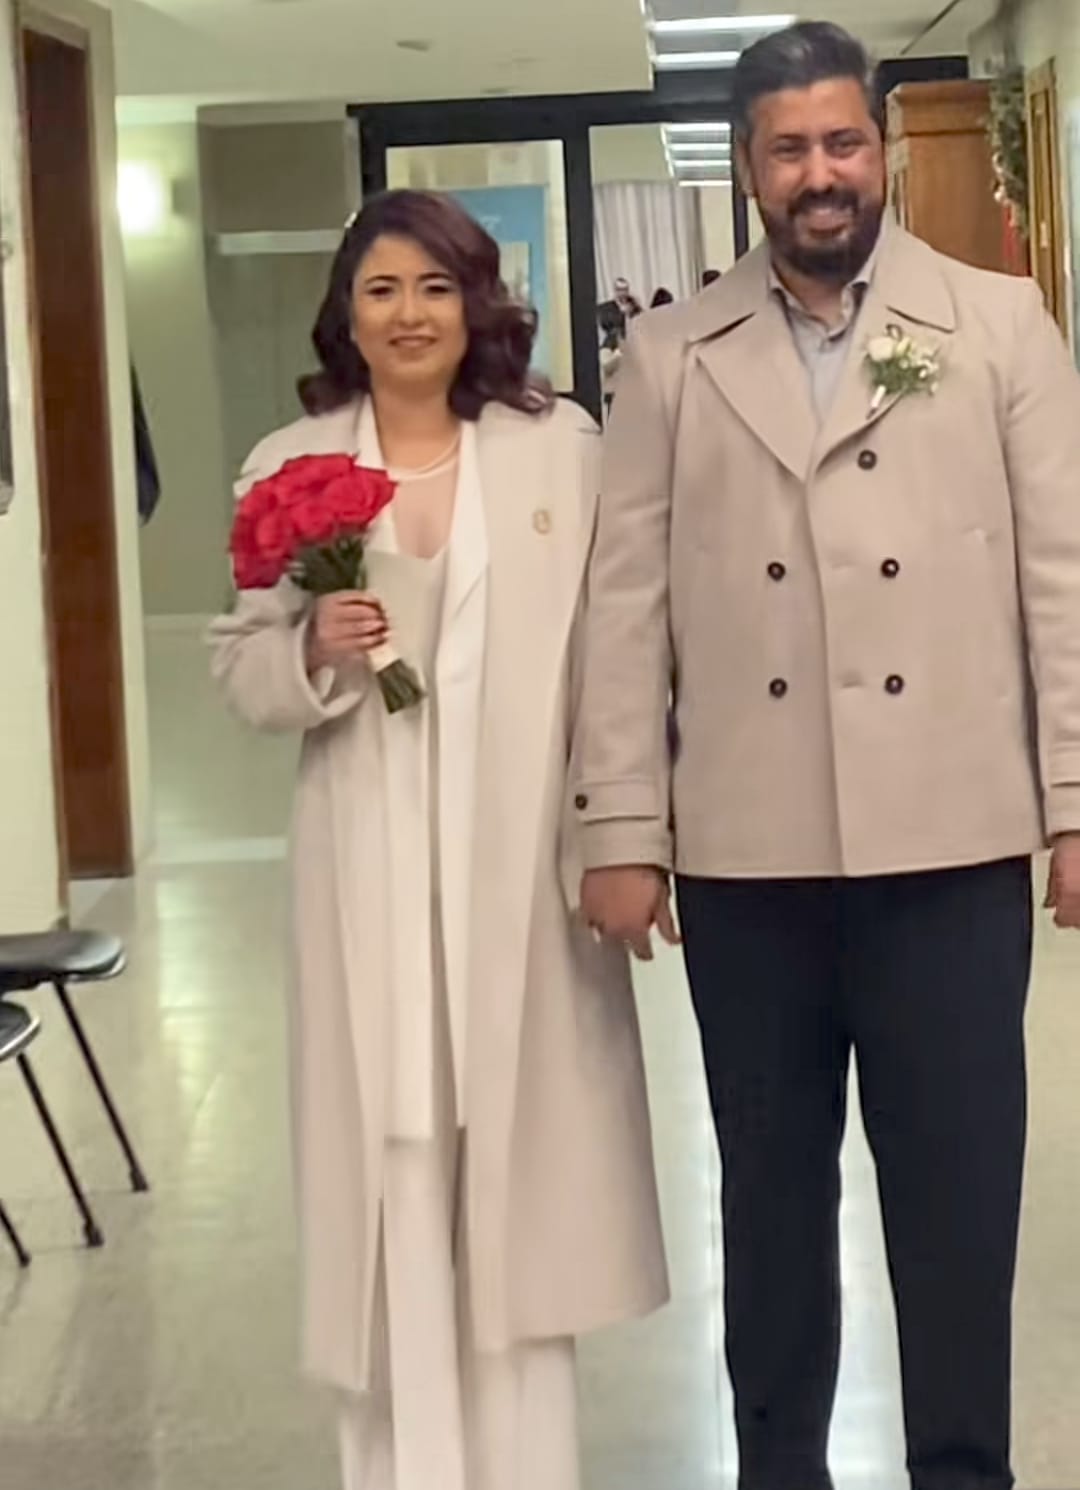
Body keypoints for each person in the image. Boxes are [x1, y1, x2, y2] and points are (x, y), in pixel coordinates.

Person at [577, 20, 1080, 1490]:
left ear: (883, 154)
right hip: (751, 860)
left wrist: (1074, 802)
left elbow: (1062, 581)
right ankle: (778, 1467)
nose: (822, 173)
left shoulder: (999, 325)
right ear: (747, 167)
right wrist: (621, 823)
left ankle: (965, 1472)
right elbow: (626, 606)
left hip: (953, 846)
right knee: (772, 1206)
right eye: (790, 148)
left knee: (959, 1208)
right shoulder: (670, 355)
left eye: (844, 142)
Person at [210, 190, 667, 1490]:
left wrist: (626, 825)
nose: (409, 314)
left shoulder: (558, 449)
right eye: (381, 290)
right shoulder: (289, 461)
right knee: (394, 1166)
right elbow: (238, 668)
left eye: (434, 287)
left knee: (521, 1188)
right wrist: (311, 648)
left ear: (477, 303)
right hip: (368, 857)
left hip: (517, 860)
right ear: (345, 316)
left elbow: (620, 647)